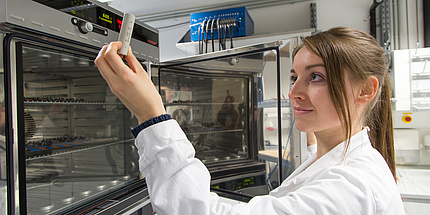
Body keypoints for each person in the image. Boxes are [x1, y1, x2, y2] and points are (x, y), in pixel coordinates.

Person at [95, 27, 404, 214]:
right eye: (294, 77)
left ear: (365, 90)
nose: (293, 92)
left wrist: (151, 114)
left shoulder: (352, 188)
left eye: (316, 77)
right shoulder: (337, 158)